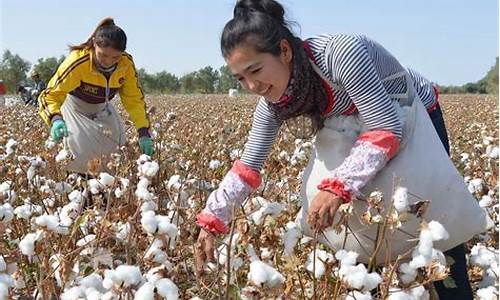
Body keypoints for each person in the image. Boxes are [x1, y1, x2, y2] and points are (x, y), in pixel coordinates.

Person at [194, 1, 487, 299]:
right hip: (358, 125)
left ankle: (455, 293)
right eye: (240, 78)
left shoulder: (339, 54)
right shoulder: (271, 104)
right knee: (360, 230)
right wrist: (212, 222)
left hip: (411, 115)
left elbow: (386, 128)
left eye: (255, 70)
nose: (252, 85)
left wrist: (338, 187)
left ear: (284, 50)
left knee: (436, 223)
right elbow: (247, 168)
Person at [38, 17, 154, 174]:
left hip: (102, 106)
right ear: (94, 43)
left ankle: (107, 191)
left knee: (116, 147)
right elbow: (50, 94)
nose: (109, 61)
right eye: (103, 55)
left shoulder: (125, 64)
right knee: (79, 149)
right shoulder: (78, 61)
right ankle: (80, 187)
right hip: (75, 106)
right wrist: (56, 119)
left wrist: (143, 131)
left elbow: (134, 100)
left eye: (115, 57)